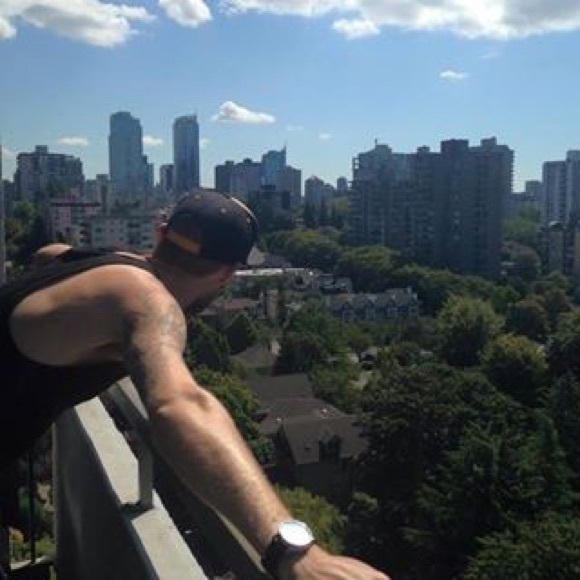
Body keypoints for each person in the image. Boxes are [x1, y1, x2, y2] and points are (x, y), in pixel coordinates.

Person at [0, 190, 389, 579]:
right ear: (226, 274)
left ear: (160, 233)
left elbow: (47, 254)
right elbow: (179, 405)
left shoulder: (110, 264)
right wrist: (292, 552)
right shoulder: (151, 305)